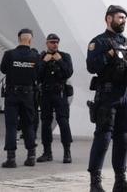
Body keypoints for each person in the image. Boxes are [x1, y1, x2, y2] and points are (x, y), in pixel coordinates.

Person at [88, 5, 127, 192]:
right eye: (120, 17)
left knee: (123, 138)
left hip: (124, 94)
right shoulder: (99, 42)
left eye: (125, 18)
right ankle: (95, 184)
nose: (123, 20)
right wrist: (108, 54)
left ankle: (120, 182)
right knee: (103, 137)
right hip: (107, 94)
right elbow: (92, 66)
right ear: (109, 19)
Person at [0, 28, 42, 168]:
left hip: (12, 94)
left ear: (19, 39)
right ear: (30, 40)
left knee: (11, 126)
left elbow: (3, 70)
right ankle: (31, 156)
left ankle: (11, 159)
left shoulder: (9, 54)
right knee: (28, 124)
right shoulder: (35, 57)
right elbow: (39, 74)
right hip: (28, 95)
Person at [37, 33, 74, 164]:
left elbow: (68, 72)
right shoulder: (41, 57)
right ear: (47, 43)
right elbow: (36, 75)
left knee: (63, 122)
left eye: (57, 42)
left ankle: (67, 152)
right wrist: (43, 62)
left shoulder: (65, 56)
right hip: (46, 94)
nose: (55, 44)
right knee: (46, 123)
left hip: (60, 93)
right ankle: (47, 152)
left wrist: (59, 60)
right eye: (52, 42)